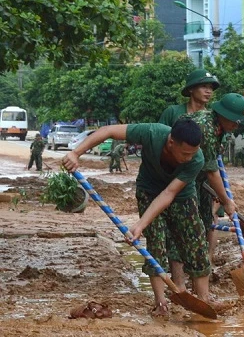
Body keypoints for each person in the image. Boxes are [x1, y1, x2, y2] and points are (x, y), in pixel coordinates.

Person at [62, 119, 212, 317]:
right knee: (156, 244)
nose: (189, 158)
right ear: (170, 143)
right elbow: (108, 130)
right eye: (185, 154)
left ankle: (203, 303)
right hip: (149, 191)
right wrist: (75, 153)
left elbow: (169, 194)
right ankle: (161, 303)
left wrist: (140, 223)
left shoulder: (196, 159)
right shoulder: (151, 133)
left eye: (193, 153)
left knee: (196, 246)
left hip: (181, 196)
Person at [178, 93, 244, 265]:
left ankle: (200, 267)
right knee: (189, 228)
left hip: (199, 179)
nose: (236, 126)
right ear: (224, 116)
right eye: (234, 121)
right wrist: (226, 201)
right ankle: (188, 271)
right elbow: (212, 171)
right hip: (183, 179)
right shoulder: (206, 127)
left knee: (205, 221)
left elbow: (210, 167)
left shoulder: (220, 129)